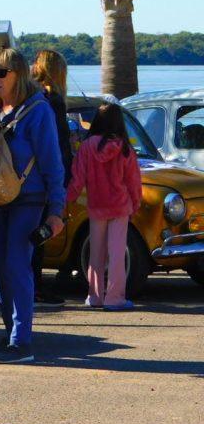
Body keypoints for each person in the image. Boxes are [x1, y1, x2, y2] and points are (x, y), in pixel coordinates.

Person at [0, 48, 65, 363]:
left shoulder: (38, 111)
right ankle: (11, 334)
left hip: (27, 199)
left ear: (18, 73)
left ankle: (21, 341)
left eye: (1, 73)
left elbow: (53, 162)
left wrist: (56, 210)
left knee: (18, 264)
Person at [67, 103, 142, 311]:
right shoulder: (125, 148)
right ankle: (115, 298)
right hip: (119, 206)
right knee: (117, 253)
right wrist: (135, 204)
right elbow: (133, 182)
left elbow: (77, 178)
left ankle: (95, 296)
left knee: (96, 253)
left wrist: (67, 200)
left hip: (96, 205)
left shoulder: (87, 146)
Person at [30, 49, 74, 307]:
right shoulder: (52, 98)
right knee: (41, 232)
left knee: (35, 232)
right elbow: (57, 142)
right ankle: (35, 286)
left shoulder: (33, 94)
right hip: (50, 173)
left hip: (35, 174)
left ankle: (33, 284)